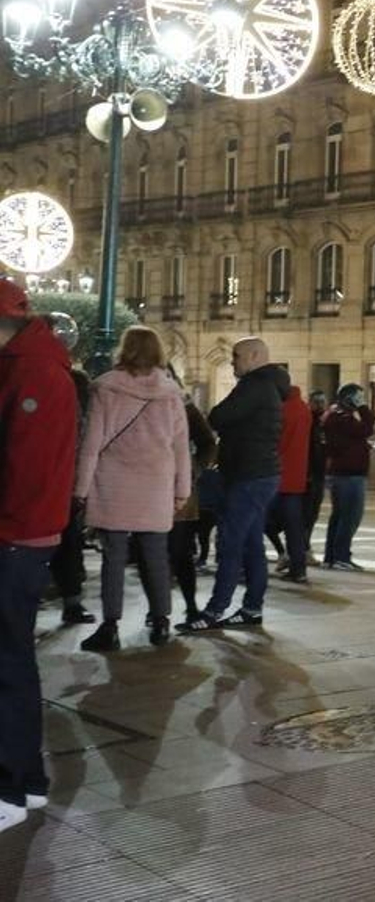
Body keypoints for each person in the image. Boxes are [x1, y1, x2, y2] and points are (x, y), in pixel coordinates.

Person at [0, 278, 79, 832]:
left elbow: (24, 472)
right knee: (12, 661)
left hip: (14, 536)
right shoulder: (27, 364)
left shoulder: (32, 371)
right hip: (21, 534)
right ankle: (26, 782)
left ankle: (8, 787)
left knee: (6, 665)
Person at [74, 326, 191, 651]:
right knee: (156, 555)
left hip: (114, 484)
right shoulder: (170, 394)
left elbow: (92, 443)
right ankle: (161, 621)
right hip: (155, 485)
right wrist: (181, 489)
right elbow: (181, 447)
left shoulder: (107, 389)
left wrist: (81, 488)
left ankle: (110, 626)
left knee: (114, 557)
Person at [180, 337, 288, 633]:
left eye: (237, 356)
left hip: (249, 476)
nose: (233, 361)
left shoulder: (255, 386)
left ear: (254, 356)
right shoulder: (270, 386)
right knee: (251, 544)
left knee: (231, 543)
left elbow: (218, 416)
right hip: (259, 473)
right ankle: (252, 608)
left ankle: (215, 610)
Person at [50, 368, 96, 627]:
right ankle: (72, 601)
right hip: (67, 482)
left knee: (65, 543)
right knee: (68, 544)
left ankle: (72, 600)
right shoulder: (77, 391)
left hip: (59, 481)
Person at [168, 385, 218, 624]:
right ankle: (158, 611)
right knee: (153, 555)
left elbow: (208, 442)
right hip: (145, 491)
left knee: (181, 553)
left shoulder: (185, 406)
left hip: (180, 492)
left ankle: (190, 606)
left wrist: (195, 469)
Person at [321, 383, 374, 570]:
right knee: (350, 516)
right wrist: (363, 408)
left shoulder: (336, 417)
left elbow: (352, 438)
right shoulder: (340, 418)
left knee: (339, 516)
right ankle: (341, 556)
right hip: (348, 474)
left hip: (343, 472)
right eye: (359, 398)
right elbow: (367, 428)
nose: (362, 401)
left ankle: (331, 556)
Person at [268, 385, 313, 583]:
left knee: (257, 520)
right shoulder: (304, 409)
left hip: (277, 474)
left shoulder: (279, 410)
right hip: (297, 477)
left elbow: (272, 440)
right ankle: (298, 568)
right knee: (294, 527)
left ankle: (248, 567)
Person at [304, 389, 328, 540]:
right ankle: (302, 546)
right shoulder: (308, 422)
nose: (320, 405)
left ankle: (304, 545)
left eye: (322, 402)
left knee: (313, 512)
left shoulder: (324, 423)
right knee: (307, 512)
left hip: (319, 473)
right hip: (310, 473)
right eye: (316, 402)